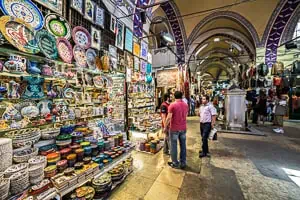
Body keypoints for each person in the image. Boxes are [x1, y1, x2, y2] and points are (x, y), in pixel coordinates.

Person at [164, 91, 188, 169]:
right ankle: (183, 162)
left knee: (173, 146)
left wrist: (165, 126)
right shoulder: (185, 105)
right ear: (182, 96)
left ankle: (175, 163)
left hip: (174, 128)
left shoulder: (172, 105)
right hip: (183, 128)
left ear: (174, 96)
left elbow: (169, 117)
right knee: (183, 145)